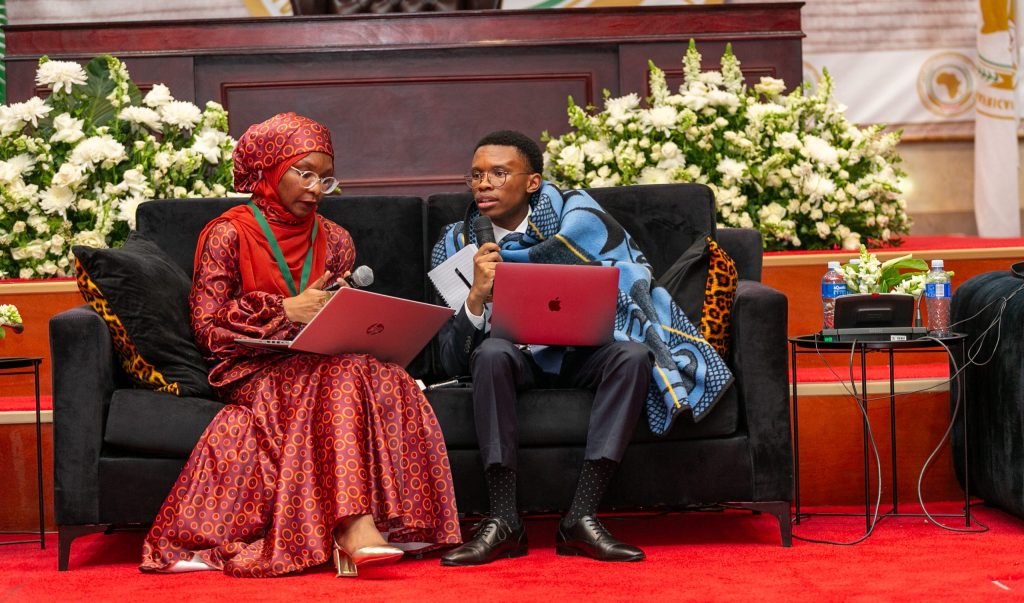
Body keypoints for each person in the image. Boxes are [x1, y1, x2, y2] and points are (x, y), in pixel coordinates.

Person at [140, 112, 460, 578]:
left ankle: (398, 523)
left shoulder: (337, 240)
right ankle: (353, 528)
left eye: (326, 180)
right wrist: (286, 310)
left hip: (323, 360)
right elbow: (207, 330)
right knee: (346, 374)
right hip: (253, 368)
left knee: (383, 373)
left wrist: (349, 315)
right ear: (269, 170)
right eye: (304, 174)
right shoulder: (227, 233)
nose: (315, 189)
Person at [431, 130, 734, 566]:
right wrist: (477, 296)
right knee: (492, 353)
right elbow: (449, 359)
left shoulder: (580, 223)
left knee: (633, 356)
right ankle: (503, 521)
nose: (484, 184)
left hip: (581, 354)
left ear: (532, 182)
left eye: (498, 173)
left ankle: (581, 517)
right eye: (476, 175)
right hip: (514, 360)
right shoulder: (457, 245)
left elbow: (629, 282)